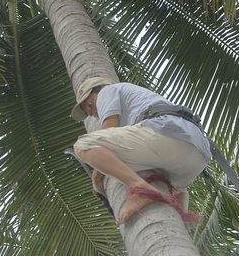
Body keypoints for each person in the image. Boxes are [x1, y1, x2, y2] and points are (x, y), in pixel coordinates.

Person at [72, 77, 211, 225]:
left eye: (90, 104)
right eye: (89, 112)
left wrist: (97, 176)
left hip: (166, 134)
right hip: (197, 156)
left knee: (83, 145)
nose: (93, 112)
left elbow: (109, 129)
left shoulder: (108, 90)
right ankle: (180, 223)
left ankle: (139, 188)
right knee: (176, 190)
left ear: (101, 86)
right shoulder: (135, 101)